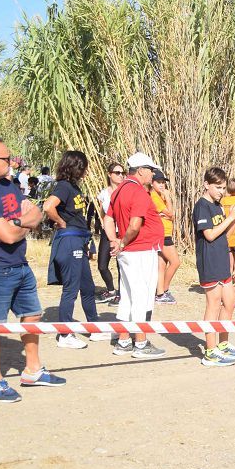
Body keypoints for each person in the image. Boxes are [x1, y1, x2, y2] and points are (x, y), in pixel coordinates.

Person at [0, 137, 66, 402]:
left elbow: (34, 215)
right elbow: (9, 235)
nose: (11, 162)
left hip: (20, 265)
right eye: (5, 158)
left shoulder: (8, 185)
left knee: (32, 315)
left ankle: (33, 370)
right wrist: (18, 226)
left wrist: (15, 223)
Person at [103, 152, 167, 359]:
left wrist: (114, 240)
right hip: (140, 250)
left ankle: (123, 341)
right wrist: (120, 242)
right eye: (150, 170)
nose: (152, 174)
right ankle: (140, 342)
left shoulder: (119, 190)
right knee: (142, 296)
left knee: (128, 296)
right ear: (141, 170)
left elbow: (108, 218)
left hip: (129, 251)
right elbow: (135, 224)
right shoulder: (138, 192)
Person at [43, 150, 105, 348]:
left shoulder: (73, 187)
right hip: (69, 242)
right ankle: (65, 334)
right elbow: (48, 206)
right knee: (71, 288)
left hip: (79, 241)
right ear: (75, 166)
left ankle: (94, 327)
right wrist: (60, 222)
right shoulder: (63, 186)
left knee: (87, 287)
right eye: (83, 167)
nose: (86, 171)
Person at [194, 168, 235, 367]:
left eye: (223, 188)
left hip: (222, 258)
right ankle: (209, 352)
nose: (221, 191)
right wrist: (231, 215)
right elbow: (209, 235)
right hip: (209, 260)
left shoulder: (218, 206)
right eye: (218, 187)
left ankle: (223, 344)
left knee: (230, 302)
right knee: (214, 304)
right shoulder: (202, 206)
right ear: (206, 184)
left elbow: (225, 234)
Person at [95, 162, 125, 304]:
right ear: (109, 174)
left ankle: (122, 294)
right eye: (117, 173)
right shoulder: (103, 193)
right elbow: (102, 213)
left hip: (122, 233)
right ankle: (111, 290)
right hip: (107, 232)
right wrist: (104, 224)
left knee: (121, 265)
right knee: (102, 265)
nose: (120, 175)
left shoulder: (126, 191)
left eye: (122, 173)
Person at [151, 170, 180, 305]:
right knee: (175, 262)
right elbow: (170, 213)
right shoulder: (155, 196)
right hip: (162, 234)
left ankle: (159, 292)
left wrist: (168, 214)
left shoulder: (159, 195)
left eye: (163, 182)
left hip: (165, 232)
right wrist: (168, 198)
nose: (162, 185)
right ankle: (164, 290)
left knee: (162, 264)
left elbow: (169, 215)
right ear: (152, 183)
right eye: (159, 182)